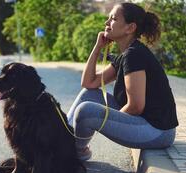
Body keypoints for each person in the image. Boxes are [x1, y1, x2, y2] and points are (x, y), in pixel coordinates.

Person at [67, 2, 179, 161]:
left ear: (130, 28)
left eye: (113, 19)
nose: (106, 23)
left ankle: (72, 153)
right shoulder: (127, 54)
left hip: (157, 132)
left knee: (87, 111)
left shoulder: (134, 55)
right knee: (88, 95)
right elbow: (89, 83)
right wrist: (97, 47)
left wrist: (111, 122)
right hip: (144, 123)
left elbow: (135, 106)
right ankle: (62, 141)